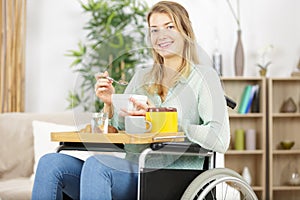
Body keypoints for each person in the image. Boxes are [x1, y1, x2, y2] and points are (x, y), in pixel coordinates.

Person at [32, 1, 230, 199]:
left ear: (185, 31)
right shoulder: (142, 77)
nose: (161, 36)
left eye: (169, 27)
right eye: (154, 30)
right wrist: (110, 103)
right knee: (50, 163)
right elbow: (120, 124)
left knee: (98, 165)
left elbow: (219, 139)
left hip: (174, 175)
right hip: (134, 168)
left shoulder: (204, 77)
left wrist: (163, 118)